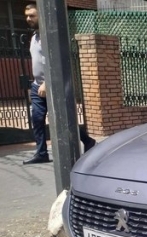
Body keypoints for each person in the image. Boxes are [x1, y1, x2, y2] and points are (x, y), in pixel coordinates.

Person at [23, 3, 96, 165]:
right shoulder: (34, 37)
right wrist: (36, 84)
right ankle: (41, 153)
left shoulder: (50, 37)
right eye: (27, 16)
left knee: (64, 121)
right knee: (37, 120)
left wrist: (47, 83)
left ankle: (88, 141)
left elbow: (56, 62)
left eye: (32, 16)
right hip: (37, 87)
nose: (28, 19)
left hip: (52, 86)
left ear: (41, 15)